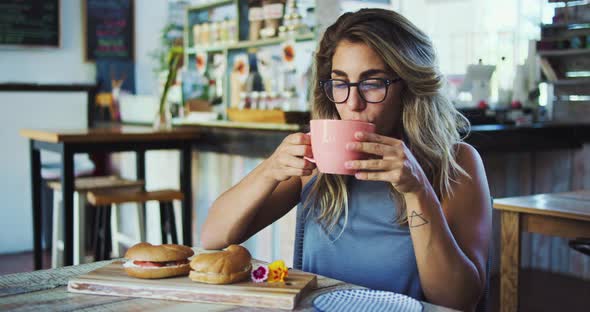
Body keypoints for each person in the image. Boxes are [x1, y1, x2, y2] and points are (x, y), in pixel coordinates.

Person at [201, 8, 491, 311]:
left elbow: (457, 300)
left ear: (409, 86)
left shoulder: (456, 162)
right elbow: (213, 237)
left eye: (373, 82)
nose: (353, 103)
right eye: (340, 83)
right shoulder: (315, 160)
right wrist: (269, 169)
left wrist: (418, 190)